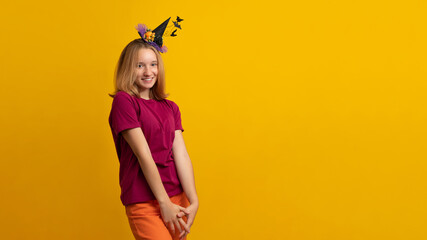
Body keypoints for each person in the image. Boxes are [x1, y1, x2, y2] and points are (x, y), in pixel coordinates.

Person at [108, 18, 198, 240]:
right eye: (140, 65)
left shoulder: (171, 108)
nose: (148, 71)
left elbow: (181, 155)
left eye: (153, 64)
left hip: (177, 197)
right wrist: (163, 202)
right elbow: (143, 155)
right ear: (129, 68)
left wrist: (193, 199)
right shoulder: (124, 102)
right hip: (145, 200)